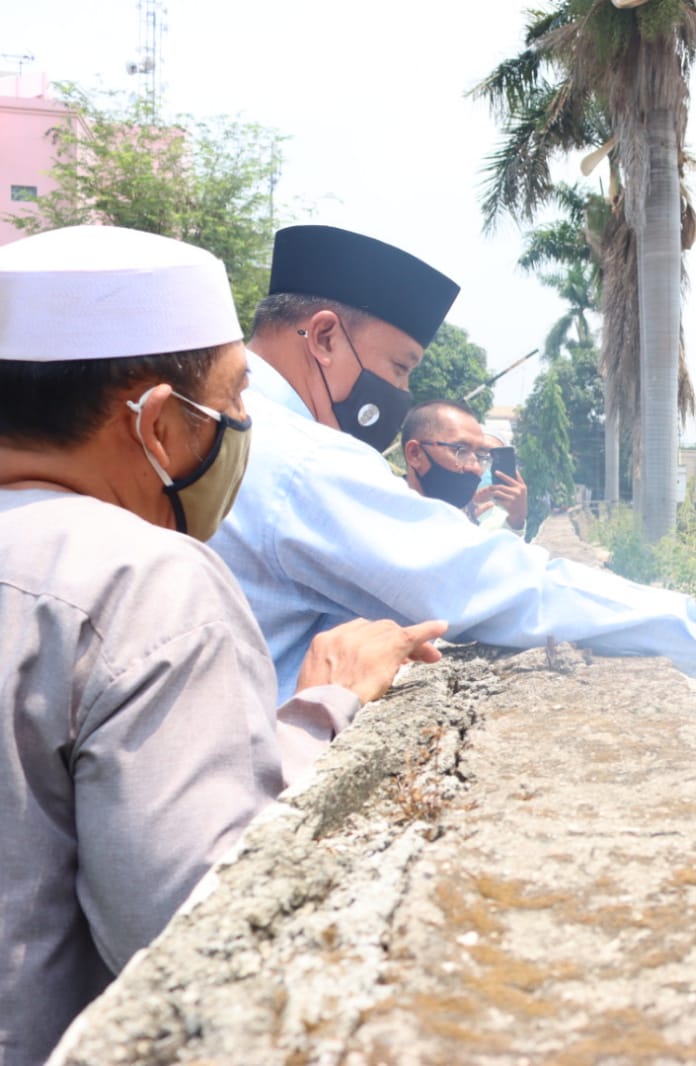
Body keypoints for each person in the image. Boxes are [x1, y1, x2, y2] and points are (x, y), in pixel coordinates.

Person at [0, 226, 446, 1066]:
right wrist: (324, 707)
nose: (243, 425)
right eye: (237, 397)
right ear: (158, 424)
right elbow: (191, 921)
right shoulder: (144, 578)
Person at [213, 225, 696, 747]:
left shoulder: (232, 429)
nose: (399, 392)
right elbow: (509, 589)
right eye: (399, 368)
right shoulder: (302, 459)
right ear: (324, 338)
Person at [398, 399, 529, 535]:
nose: (476, 468)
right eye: (461, 450)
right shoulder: (386, 521)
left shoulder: (464, 531)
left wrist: (517, 518)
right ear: (415, 454)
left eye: (480, 456)